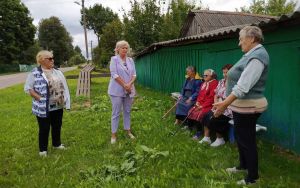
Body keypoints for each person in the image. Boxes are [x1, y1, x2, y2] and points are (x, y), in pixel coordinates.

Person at [213, 26, 269, 185]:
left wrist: (224, 104)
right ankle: (243, 166)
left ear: (251, 39)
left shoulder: (257, 57)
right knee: (241, 136)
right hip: (242, 106)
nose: (239, 43)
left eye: (241, 39)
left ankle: (253, 178)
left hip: (249, 106)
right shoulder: (250, 54)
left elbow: (243, 87)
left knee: (247, 140)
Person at [24, 50, 70, 157]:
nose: (52, 60)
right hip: (43, 107)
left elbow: (64, 85)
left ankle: (56, 144)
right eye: (49, 58)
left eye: (52, 58)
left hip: (58, 105)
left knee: (57, 125)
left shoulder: (57, 71)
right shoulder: (34, 73)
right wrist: (40, 98)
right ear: (41, 60)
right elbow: (28, 89)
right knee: (44, 128)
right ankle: (43, 150)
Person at [108, 40, 136, 144]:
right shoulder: (114, 59)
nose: (125, 49)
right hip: (116, 90)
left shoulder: (130, 60)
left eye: (126, 48)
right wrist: (125, 85)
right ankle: (113, 134)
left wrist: (129, 85)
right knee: (116, 112)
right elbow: (114, 74)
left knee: (127, 111)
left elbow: (134, 75)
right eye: (122, 47)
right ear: (118, 49)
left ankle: (128, 130)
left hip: (129, 90)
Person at [200, 64, 233, 147]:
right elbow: (216, 94)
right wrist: (215, 104)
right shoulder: (221, 81)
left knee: (216, 117)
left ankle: (220, 139)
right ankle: (207, 137)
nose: (225, 74)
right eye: (224, 72)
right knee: (206, 115)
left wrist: (221, 106)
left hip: (229, 107)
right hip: (219, 104)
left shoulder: (235, 83)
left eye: (227, 72)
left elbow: (232, 99)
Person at [187, 69, 218, 140]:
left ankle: (199, 133)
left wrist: (202, 106)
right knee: (191, 111)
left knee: (199, 114)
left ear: (212, 76)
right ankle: (190, 128)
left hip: (209, 105)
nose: (204, 76)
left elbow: (211, 98)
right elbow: (200, 95)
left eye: (206, 75)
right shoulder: (204, 83)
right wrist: (197, 102)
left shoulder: (214, 83)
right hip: (201, 104)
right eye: (203, 75)